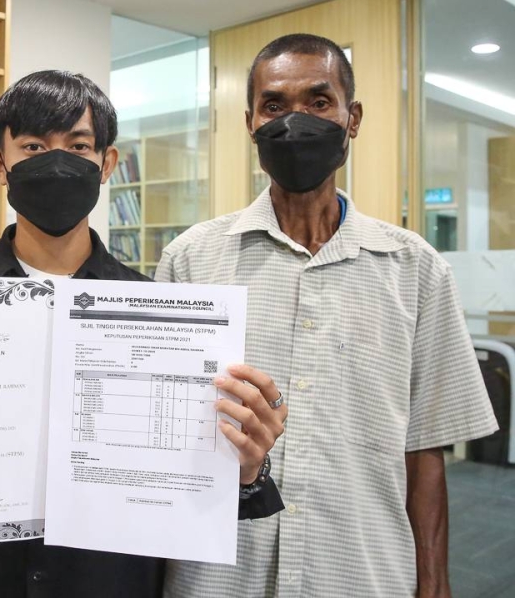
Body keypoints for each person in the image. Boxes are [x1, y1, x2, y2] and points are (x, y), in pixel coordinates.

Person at [0, 70, 287, 598]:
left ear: (106, 163)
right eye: (33, 146)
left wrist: (244, 463)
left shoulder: (161, 311)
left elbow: (198, 487)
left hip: (110, 583)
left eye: (79, 145)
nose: (57, 161)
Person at [157, 34, 499, 598]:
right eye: (274, 105)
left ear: (352, 117)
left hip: (362, 574)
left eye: (319, 102)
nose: (295, 122)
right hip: (219, 578)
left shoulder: (415, 269)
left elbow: (425, 447)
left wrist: (434, 580)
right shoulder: (192, 259)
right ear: (250, 124)